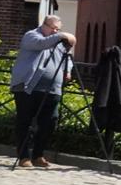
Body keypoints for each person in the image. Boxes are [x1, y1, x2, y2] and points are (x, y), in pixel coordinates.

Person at [9, 15, 75, 169]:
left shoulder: (58, 42)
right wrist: (62, 35)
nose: (55, 32)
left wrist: (67, 70)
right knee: (24, 121)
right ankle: (24, 156)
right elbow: (41, 44)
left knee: (50, 122)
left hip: (52, 89)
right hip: (28, 87)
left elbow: (67, 59)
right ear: (44, 25)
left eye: (58, 29)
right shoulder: (31, 36)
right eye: (53, 28)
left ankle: (38, 155)